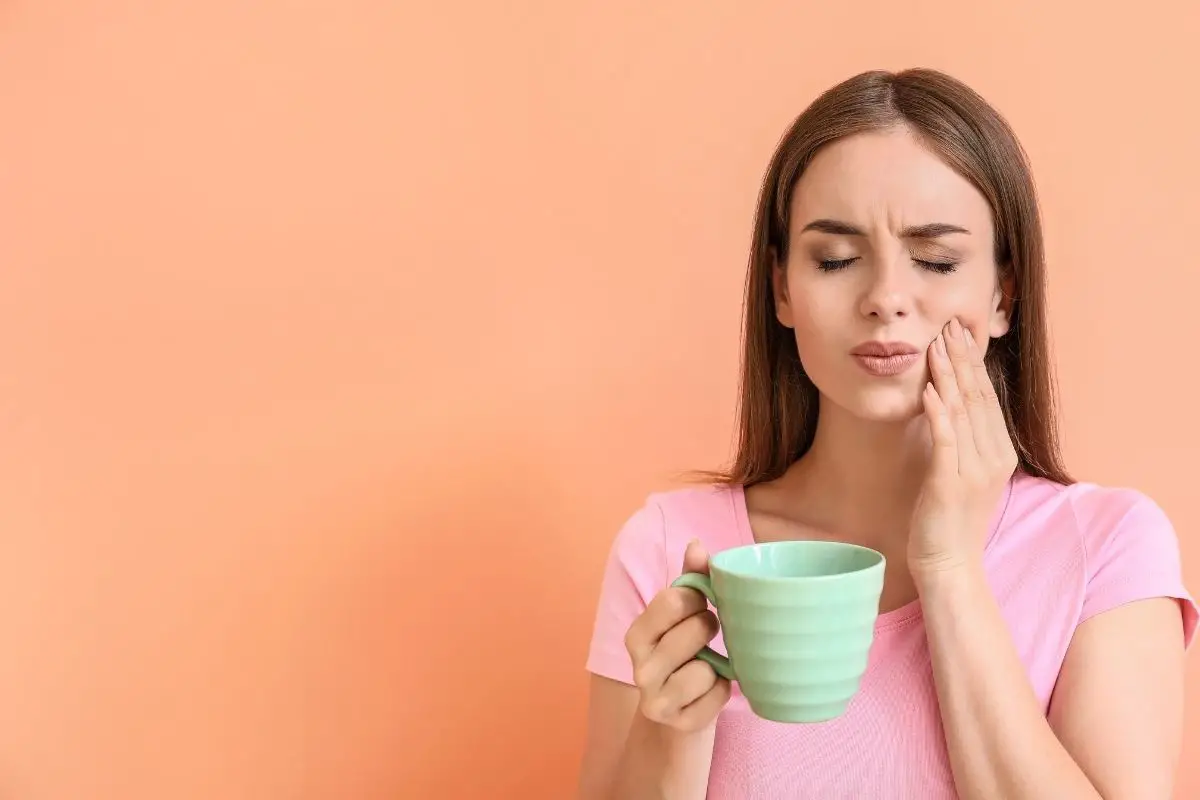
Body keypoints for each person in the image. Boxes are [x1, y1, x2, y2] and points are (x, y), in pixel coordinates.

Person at [575, 68, 1197, 800]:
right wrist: (671, 727)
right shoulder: (669, 548)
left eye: (935, 259)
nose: (884, 300)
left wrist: (950, 567)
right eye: (835, 259)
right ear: (781, 289)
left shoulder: (1108, 545)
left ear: (1005, 292)